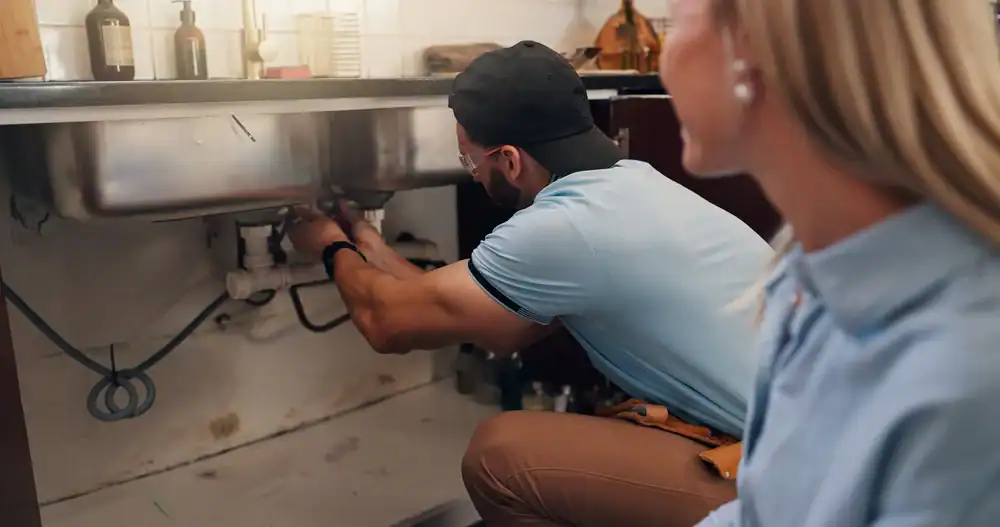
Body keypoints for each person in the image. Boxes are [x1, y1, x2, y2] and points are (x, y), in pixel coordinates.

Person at [287, 40, 773, 525]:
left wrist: (329, 245)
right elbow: (503, 326)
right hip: (821, 444)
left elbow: (384, 320)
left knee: (498, 458)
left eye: (471, 163)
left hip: (797, 485)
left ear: (511, 160)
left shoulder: (562, 227)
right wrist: (373, 248)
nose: (474, 178)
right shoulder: (631, 185)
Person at [658, 1, 1000, 526]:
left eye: (675, 18)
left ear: (749, 40)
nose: (662, 59)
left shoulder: (966, 379)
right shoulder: (806, 274)